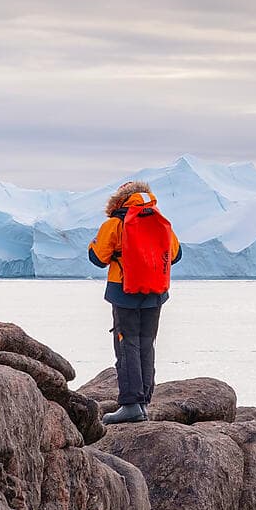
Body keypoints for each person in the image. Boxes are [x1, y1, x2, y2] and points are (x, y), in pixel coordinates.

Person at [88, 180, 182, 425]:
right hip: (154, 292)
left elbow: (98, 258)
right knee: (146, 344)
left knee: (126, 345)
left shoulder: (115, 223)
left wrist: (95, 243)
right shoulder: (160, 221)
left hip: (124, 291)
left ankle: (131, 404)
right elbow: (175, 255)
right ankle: (144, 402)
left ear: (119, 199)